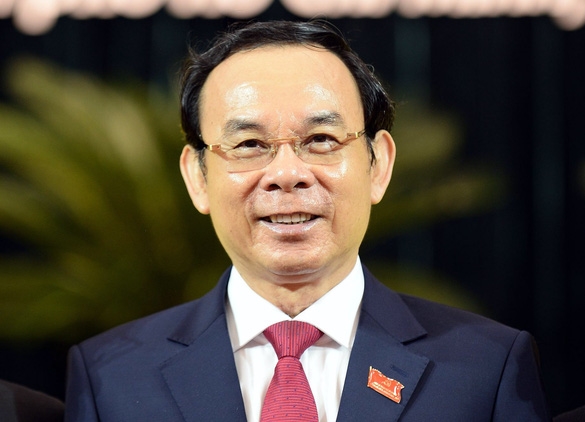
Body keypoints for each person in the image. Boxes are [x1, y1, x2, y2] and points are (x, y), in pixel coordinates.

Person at [64, 20, 551, 421]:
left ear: (378, 165)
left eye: (321, 139)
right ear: (197, 176)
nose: (286, 174)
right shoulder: (111, 376)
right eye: (249, 144)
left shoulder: (486, 369)